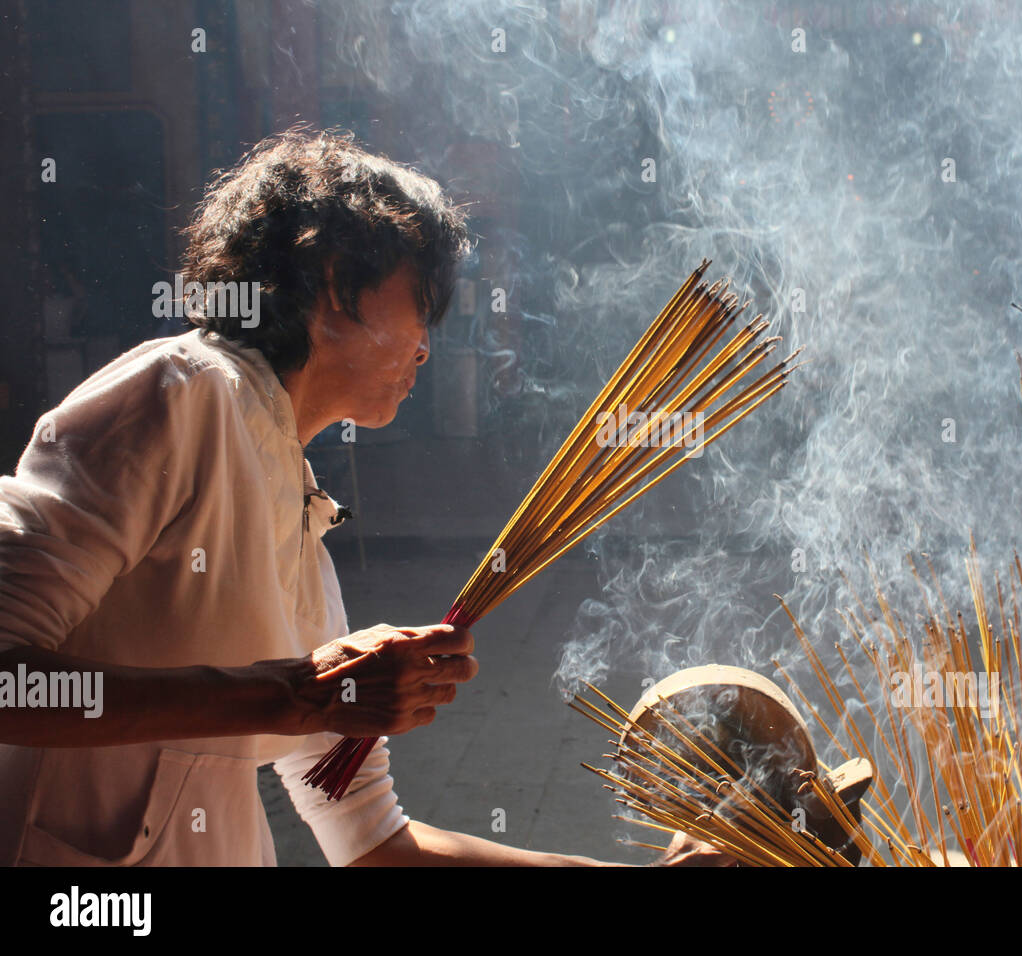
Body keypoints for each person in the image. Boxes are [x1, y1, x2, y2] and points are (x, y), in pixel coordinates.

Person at [0, 129, 725, 867]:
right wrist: (296, 695)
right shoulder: (179, 396)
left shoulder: (296, 507)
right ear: (335, 286)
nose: (425, 347)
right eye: (420, 305)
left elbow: (377, 844)